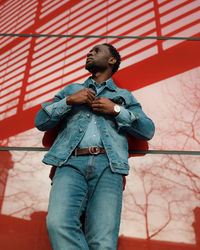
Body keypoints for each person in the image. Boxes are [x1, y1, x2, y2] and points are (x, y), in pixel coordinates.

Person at [35, 43, 155, 250]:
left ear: (112, 61)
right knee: (57, 224)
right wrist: (69, 101)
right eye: (89, 51)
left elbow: (147, 130)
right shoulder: (71, 90)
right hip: (69, 164)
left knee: (103, 241)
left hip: (109, 167)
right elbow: (41, 121)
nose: (89, 53)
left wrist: (116, 109)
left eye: (96, 51)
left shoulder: (125, 96)